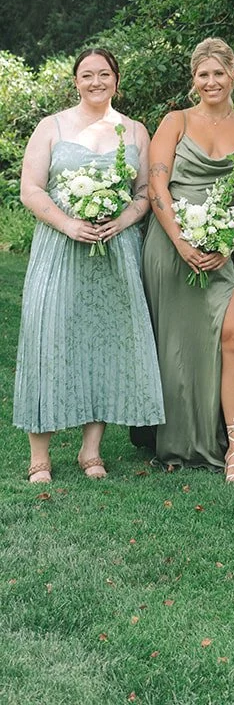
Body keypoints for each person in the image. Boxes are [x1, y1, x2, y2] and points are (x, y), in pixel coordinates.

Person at [13, 48, 164, 483]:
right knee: (49, 338)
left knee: (103, 343)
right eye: (86, 75)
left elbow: (144, 194)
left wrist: (123, 221)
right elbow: (31, 189)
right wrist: (67, 224)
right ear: (75, 81)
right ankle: (39, 455)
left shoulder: (135, 130)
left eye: (104, 74)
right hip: (60, 249)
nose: (96, 81)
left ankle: (90, 451)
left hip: (115, 251)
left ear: (117, 80)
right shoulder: (52, 126)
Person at [141, 38, 234, 478]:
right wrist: (180, 241)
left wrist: (227, 239)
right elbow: (157, 185)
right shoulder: (174, 121)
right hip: (171, 243)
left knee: (232, 334)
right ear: (194, 79)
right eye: (203, 74)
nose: (211, 82)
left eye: (219, 73)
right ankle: (178, 438)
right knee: (177, 343)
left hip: (222, 242)